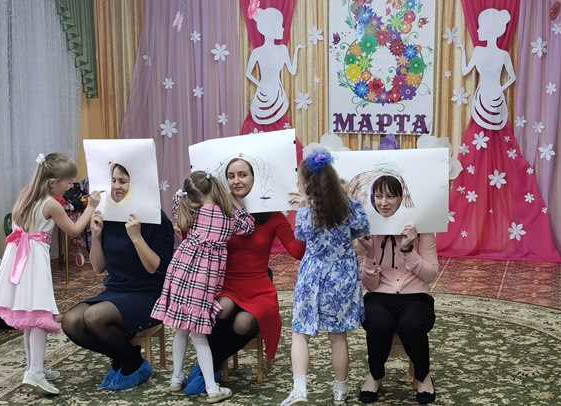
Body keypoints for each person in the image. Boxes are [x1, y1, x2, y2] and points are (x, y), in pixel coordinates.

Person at [184, 157, 306, 395]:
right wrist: (190, 215)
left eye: (242, 175)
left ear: (255, 177)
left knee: (243, 323)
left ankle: (208, 365)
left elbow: (297, 251)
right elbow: (195, 242)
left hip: (259, 288)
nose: (236, 181)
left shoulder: (272, 214)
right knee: (221, 309)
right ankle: (209, 368)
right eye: (231, 176)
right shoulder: (218, 212)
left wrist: (303, 215)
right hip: (225, 284)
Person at [0, 152, 101, 396]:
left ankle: (33, 367)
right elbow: (74, 230)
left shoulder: (26, 195)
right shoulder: (51, 204)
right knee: (38, 315)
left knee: (30, 315)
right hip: (33, 260)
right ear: (52, 182)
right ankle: (35, 372)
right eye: (68, 181)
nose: (70, 185)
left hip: (19, 257)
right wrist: (91, 207)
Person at [61, 163, 175, 391]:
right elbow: (98, 267)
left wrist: (136, 237)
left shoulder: (157, 219)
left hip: (148, 294)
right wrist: (96, 235)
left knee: (94, 316)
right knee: (71, 321)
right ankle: (129, 357)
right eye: (113, 180)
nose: (116, 186)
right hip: (116, 290)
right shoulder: (109, 216)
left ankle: (129, 361)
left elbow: (155, 269)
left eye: (122, 181)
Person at [151, 171, 255, 404]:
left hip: (180, 269)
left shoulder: (191, 209)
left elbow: (177, 206)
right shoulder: (228, 215)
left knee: (181, 328)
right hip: (203, 279)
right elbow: (249, 227)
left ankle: (176, 378)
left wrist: (183, 197)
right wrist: (237, 205)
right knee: (199, 335)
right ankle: (212, 389)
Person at [280, 149, 370, 406]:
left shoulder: (306, 212)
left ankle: (299, 389)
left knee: (300, 333)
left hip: (312, 276)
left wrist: (306, 205)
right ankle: (340, 390)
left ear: (306, 184)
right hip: (341, 277)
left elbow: (301, 236)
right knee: (338, 337)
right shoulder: (349, 209)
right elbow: (362, 229)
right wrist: (347, 199)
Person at [355, 175, 439, 404]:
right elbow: (369, 285)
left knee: (411, 325)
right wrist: (369, 253)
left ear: (403, 199)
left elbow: (430, 274)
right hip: (379, 296)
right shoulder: (368, 231)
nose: (383, 202)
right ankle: (375, 375)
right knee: (378, 323)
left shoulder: (423, 230)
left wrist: (408, 250)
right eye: (378, 196)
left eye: (391, 196)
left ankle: (423, 376)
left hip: (416, 297)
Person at [455, 8, 515, 130]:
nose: (477, 30)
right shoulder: (479, 51)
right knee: (481, 128)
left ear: (489, 30)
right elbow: (465, 71)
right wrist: (463, 51)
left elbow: (513, 77)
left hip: (495, 96)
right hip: (481, 97)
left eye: (480, 27)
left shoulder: (503, 55)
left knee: (494, 126)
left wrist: (500, 89)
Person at [245, 8, 305, 126]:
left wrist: (297, 50)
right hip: (263, 92)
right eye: (279, 26)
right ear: (270, 28)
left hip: (278, 94)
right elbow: (248, 73)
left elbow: (292, 71)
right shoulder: (257, 52)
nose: (283, 29)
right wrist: (260, 85)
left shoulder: (282, 49)